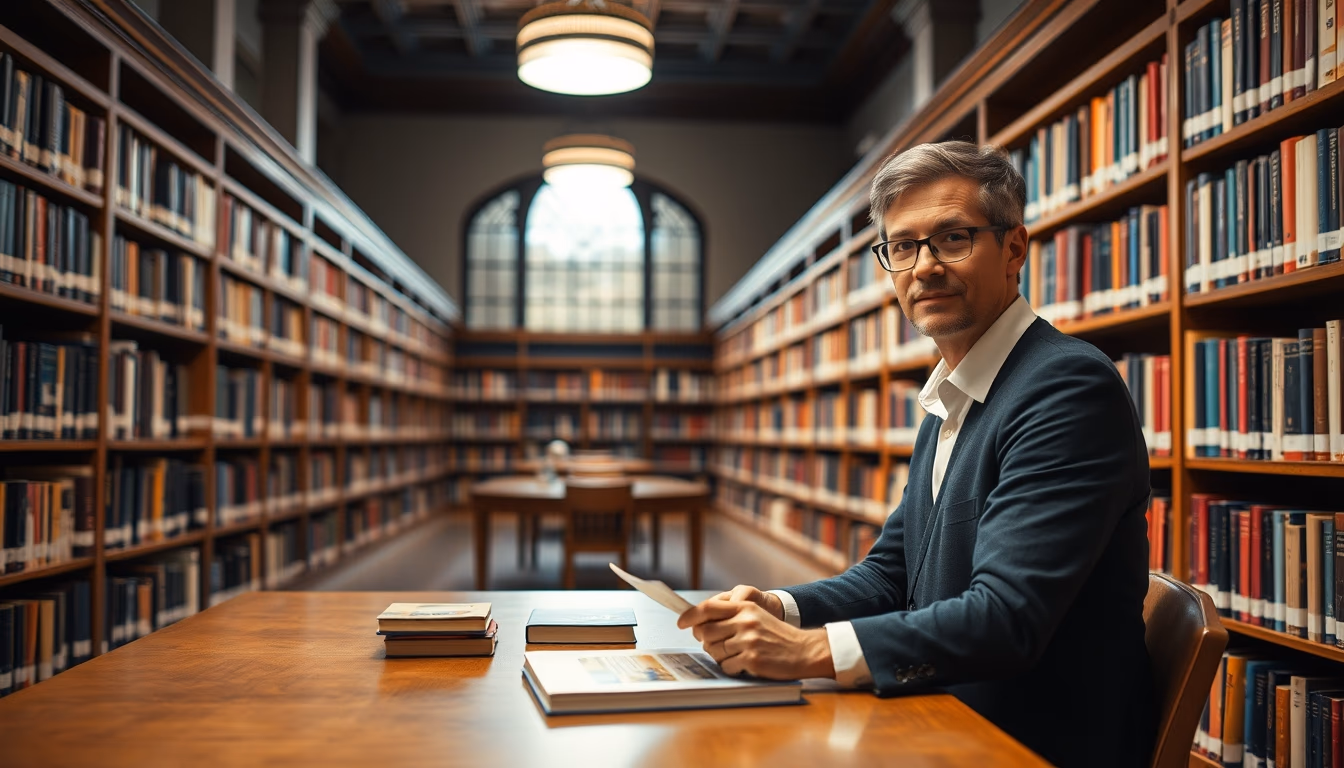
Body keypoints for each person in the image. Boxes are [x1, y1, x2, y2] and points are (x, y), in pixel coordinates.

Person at [679, 141, 1155, 768]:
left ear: (1014, 249)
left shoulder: (1064, 389)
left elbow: (1006, 617)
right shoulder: (953, 393)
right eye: (902, 247)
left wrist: (806, 652)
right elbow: (894, 574)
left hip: (1027, 741)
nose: (923, 267)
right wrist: (784, 609)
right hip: (941, 715)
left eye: (952, 238)